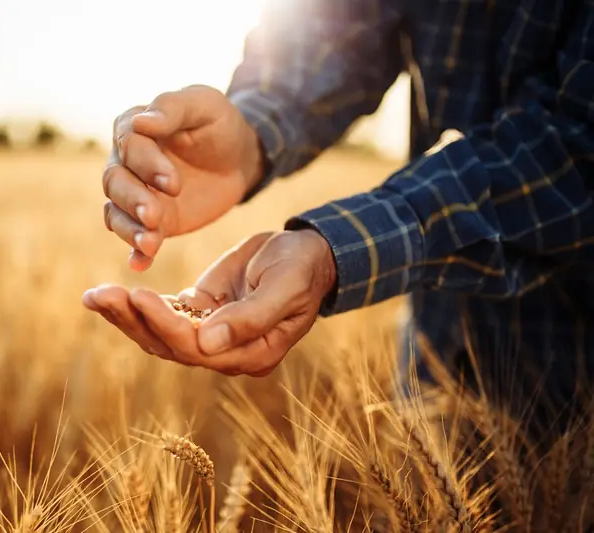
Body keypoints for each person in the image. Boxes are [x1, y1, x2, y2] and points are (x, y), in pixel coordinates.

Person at [82, 0, 594, 431]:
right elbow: (340, 25)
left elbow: (578, 144)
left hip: (571, 372)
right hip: (435, 359)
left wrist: (334, 250)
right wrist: (249, 134)